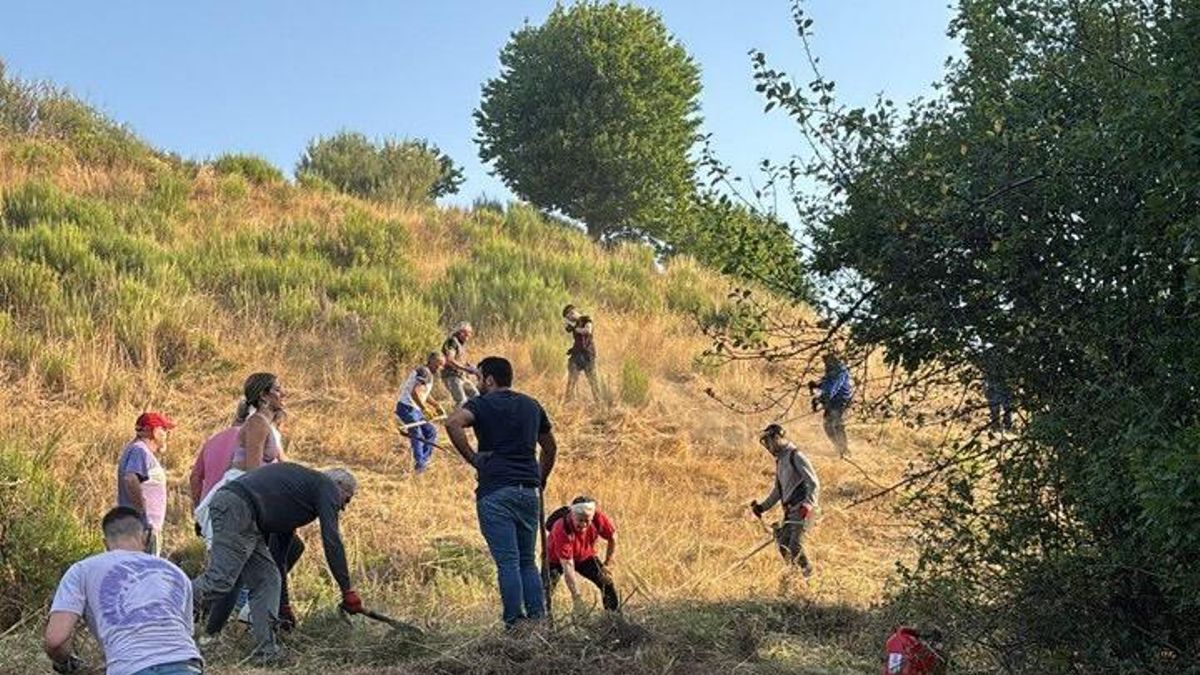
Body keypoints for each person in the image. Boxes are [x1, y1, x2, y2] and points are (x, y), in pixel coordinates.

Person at [192, 464, 363, 661]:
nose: (342, 507)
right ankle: (163, 604)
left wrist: (284, 605)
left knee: (268, 578)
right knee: (220, 581)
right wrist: (347, 590)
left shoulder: (295, 500)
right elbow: (332, 541)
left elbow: (279, 558)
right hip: (238, 507)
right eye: (347, 499)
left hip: (246, 515)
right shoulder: (326, 486)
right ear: (339, 485)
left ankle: (267, 653)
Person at [445, 356, 558, 628]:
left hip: (496, 490)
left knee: (508, 562)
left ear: (490, 380)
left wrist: (473, 458)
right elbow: (550, 447)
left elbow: (452, 423)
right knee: (527, 562)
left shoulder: (482, 404)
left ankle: (514, 623)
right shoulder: (532, 405)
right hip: (528, 492)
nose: (477, 383)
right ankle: (538, 621)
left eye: (479, 378)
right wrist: (539, 479)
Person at [44, 506, 202, 675]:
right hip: (186, 664)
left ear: (105, 543)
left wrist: (67, 664)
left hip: (130, 668)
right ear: (146, 536)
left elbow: (55, 640)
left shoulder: (82, 570)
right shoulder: (176, 573)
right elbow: (184, 633)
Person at [750, 424, 820, 577]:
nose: (767, 446)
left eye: (768, 442)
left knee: (795, 546)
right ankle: (795, 578)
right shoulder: (781, 460)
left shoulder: (796, 455)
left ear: (777, 438)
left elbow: (813, 482)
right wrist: (762, 507)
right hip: (790, 511)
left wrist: (809, 504)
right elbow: (778, 491)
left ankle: (810, 579)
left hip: (803, 509)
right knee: (783, 545)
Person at [116, 411, 175, 557]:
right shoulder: (140, 450)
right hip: (143, 528)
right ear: (153, 431)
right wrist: (142, 512)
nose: (167, 435)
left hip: (137, 526)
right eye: (164, 430)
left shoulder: (135, 450)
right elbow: (130, 479)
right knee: (145, 575)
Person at [546, 496, 619, 612]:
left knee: (607, 583)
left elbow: (613, 537)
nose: (584, 524)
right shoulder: (561, 528)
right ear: (572, 515)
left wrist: (607, 563)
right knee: (545, 592)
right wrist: (576, 597)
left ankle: (613, 620)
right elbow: (567, 565)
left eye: (587, 520)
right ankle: (542, 623)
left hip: (585, 556)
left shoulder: (597, 518)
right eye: (580, 520)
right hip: (555, 560)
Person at [395, 352, 448, 473]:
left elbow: (424, 394)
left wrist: (436, 405)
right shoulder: (424, 372)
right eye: (438, 364)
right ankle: (420, 466)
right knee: (417, 433)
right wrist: (425, 409)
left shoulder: (428, 374)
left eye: (442, 366)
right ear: (431, 361)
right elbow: (415, 392)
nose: (440, 368)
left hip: (415, 409)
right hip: (407, 407)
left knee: (431, 432)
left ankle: (423, 461)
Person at [809, 354, 853, 456]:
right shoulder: (832, 370)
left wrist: (819, 397)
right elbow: (826, 384)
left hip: (840, 402)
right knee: (829, 425)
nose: (825, 363)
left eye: (827, 360)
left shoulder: (839, 372)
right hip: (833, 401)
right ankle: (840, 448)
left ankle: (844, 450)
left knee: (835, 424)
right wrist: (816, 387)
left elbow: (830, 390)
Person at [562, 304, 603, 404]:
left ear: (572, 312)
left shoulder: (586, 319)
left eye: (569, 316)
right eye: (568, 318)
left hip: (588, 355)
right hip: (576, 356)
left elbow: (587, 331)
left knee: (593, 381)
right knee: (571, 381)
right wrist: (572, 349)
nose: (570, 319)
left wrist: (574, 328)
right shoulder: (574, 324)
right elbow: (576, 337)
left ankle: (599, 403)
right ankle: (567, 403)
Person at [441, 321, 481, 408]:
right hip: (451, 376)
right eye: (467, 333)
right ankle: (457, 420)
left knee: (476, 396)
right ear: (461, 332)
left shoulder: (461, 344)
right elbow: (450, 360)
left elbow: (461, 360)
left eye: (470, 334)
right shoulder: (452, 341)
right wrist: (466, 369)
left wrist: (472, 368)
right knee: (461, 401)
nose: (469, 336)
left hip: (461, 376)